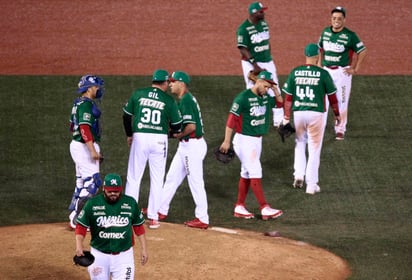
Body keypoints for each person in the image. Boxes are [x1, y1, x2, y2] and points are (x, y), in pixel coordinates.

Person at [219, 70, 283, 220]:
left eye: (269, 88)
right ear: (259, 82)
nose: (267, 90)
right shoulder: (242, 98)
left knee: (246, 173)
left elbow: (279, 103)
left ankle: (239, 206)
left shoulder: (265, 97)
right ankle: (264, 207)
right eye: (266, 86)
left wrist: (275, 90)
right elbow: (231, 120)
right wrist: (226, 141)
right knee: (255, 170)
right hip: (244, 140)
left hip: (256, 141)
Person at [123, 69, 182, 229]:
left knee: (134, 177)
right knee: (157, 179)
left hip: (139, 137)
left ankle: (129, 215)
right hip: (159, 141)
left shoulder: (138, 93)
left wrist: (130, 134)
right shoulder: (169, 100)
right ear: (165, 82)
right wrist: (168, 133)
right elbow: (177, 126)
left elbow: (126, 115)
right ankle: (153, 217)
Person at [281, 43, 341, 194]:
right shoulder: (323, 74)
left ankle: (298, 175)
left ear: (306, 56)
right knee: (314, 148)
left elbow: (288, 98)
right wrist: (337, 114)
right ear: (317, 57)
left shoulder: (295, 72)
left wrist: (286, 117)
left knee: (299, 143)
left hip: (299, 113)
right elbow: (332, 97)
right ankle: (311, 185)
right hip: (316, 114)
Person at [158, 71, 209, 229]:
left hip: (192, 146)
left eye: (173, 82)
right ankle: (160, 210)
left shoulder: (186, 100)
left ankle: (202, 218)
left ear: (182, 83)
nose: (170, 84)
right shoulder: (185, 99)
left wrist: (177, 134)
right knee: (172, 177)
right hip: (187, 145)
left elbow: (191, 127)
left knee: (195, 182)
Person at [75, 173, 148, 279]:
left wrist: (144, 249)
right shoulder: (92, 204)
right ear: (104, 189)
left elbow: (139, 227)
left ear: (121, 189)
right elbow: (81, 227)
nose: (113, 193)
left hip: (124, 258)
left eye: (116, 191)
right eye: (110, 191)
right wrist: (79, 245)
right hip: (99, 257)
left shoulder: (130, 203)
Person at [318, 6, 367, 140]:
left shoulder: (350, 35)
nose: (336, 21)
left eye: (339, 18)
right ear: (331, 19)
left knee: (342, 101)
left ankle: (340, 129)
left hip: (342, 73)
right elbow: (319, 48)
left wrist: (355, 68)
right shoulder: (325, 32)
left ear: (344, 20)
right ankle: (320, 127)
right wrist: (319, 65)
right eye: (334, 18)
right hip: (326, 72)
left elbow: (362, 51)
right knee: (323, 101)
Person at [236, 1, 284, 127]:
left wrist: (268, 58)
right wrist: (254, 64)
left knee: (274, 88)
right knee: (252, 90)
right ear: (254, 13)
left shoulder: (264, 24)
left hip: (267, 61)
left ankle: (279, 121)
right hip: (251, 63)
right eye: (261, 11)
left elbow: (267, 43)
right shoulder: (243, 29)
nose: (263, 13)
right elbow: (242, 48)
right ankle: (251, 116)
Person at [68, 75, 105, 229]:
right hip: (84, 146)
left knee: (81, 182)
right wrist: (91, 150)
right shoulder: (86, 104)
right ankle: (78, 218)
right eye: (96, 87)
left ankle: (73, 216)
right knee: (93, 183)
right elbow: (84, 127)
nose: (98, 89)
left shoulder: (78, 103)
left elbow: (72, 126)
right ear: (89, 88)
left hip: (77, 144)